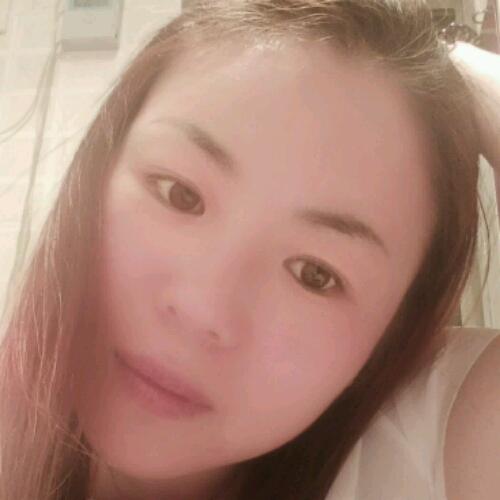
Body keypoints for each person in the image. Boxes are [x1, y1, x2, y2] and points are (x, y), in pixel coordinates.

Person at [0, 1, 498, 499]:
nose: (201, 309)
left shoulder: (429, 450)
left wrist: (445, 60)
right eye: (180, 194)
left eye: (314, 273)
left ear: (391, 337)